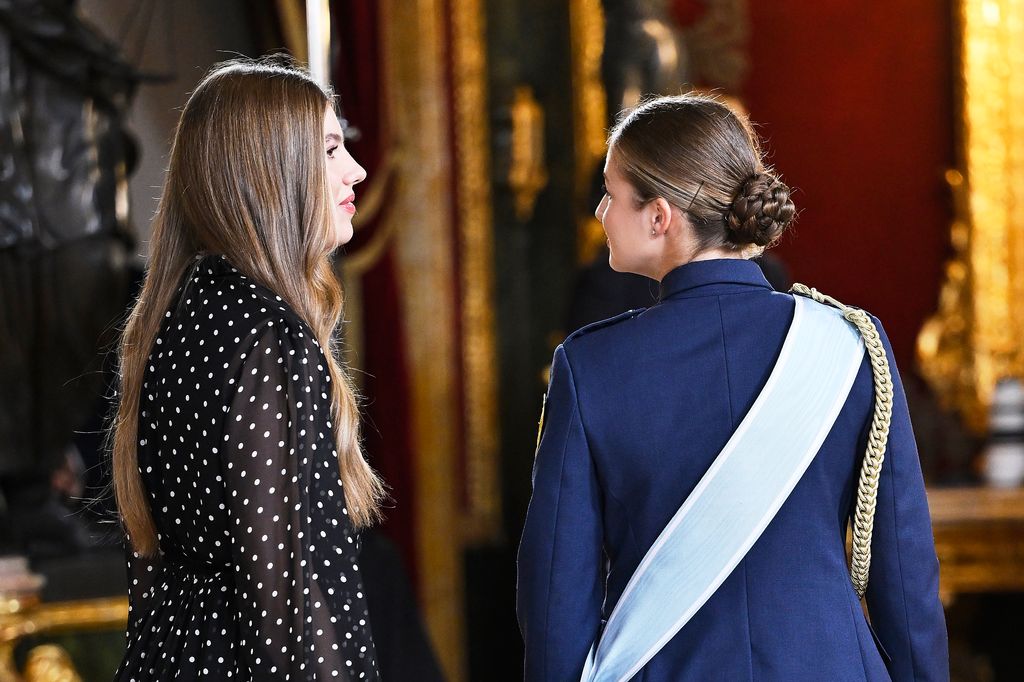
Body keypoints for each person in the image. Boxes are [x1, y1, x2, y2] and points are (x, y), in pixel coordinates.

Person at [517, 94, 948, 681]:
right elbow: (904, 571)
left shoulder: (590, 365)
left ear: (659, 216)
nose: (599, 214)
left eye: (611, 195)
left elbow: (556, 590)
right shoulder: (851, 345)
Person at [110, 58, 386, 681]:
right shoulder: (269, 341)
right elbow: (288, 602)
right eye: (331, 149)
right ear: (271, 171)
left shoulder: (181, 315)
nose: (357, 171)